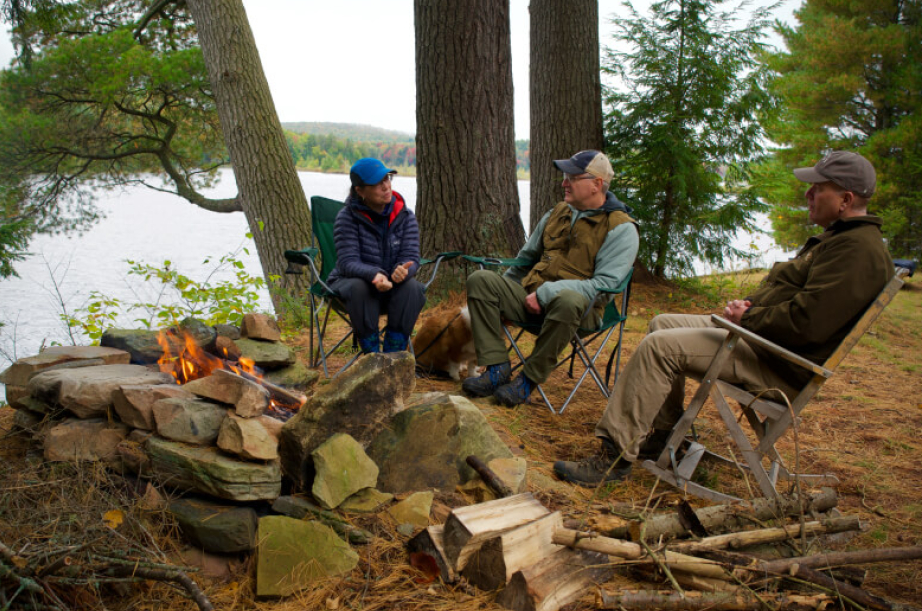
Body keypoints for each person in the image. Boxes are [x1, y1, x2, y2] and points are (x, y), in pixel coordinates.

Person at [554, 150, 895, 486]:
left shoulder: (857, 251)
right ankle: (664, 435)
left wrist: (750, 317)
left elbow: (807, 324)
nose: (808, 194)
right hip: (761, 343)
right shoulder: (841, 239)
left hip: (776, 364)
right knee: (662, 323)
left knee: (659, 348)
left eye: (819, 188)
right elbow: (797, 302)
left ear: (846, 199)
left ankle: (613, 458)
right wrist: (747, 309)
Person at [461, 150, 640, 406]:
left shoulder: (621, 227)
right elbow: (525, 260)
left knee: (568, 300)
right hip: (530, 298)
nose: (564, 182)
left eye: (573, 177)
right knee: (481, 280)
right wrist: (503, 298)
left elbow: (605, 286)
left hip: (580, 311)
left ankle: (527, 381)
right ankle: (496, 368)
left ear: (597, 184)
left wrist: (547, 294)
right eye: (564, 176)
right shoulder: (557, 212)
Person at [328, 157, 425, 354]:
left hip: (391, 287)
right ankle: (371, 356)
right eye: (377, 183)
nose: (386, 186)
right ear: (360, 191)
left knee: (413, 288)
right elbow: (348, 262)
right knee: (359, 286)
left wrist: (403, 270)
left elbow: (412, 257)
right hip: (352, 287)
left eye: (387, 178)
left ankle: (393, 354)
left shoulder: (405, 216)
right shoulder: (346, 217)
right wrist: (374, 274)